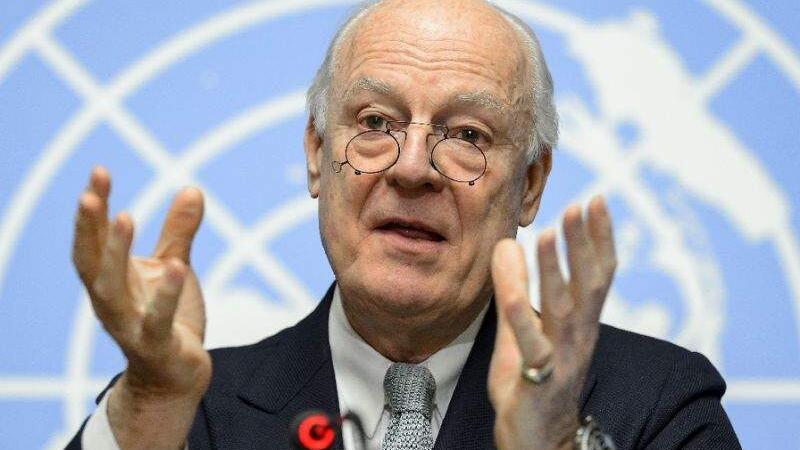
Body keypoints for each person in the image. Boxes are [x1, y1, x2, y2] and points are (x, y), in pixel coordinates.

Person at [66, 0, 741, 449]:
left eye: (468, 134)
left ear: (530, 184)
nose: (412, 168)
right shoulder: (184, 413)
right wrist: (150, 401)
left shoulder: (656, 405)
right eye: (374, 122)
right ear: (316, 154)